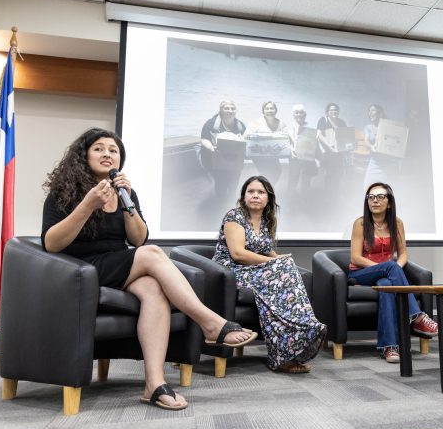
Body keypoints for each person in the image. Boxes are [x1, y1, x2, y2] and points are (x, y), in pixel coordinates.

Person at [41, 128, 257, 411]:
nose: (108, 153)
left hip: (117, 265)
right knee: (153, 254)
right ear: (83, 155)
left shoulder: (124, 192)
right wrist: (88, 204)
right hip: (81, 269)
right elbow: (52, 243)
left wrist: (127, 202)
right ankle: (210, 323)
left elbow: (138, 238)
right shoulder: (64, 192)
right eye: (99, 148)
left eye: (114, 150)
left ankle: (153, 385)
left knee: (155, 290)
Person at [213, 176, 327, 373]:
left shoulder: (266, 220)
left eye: (261, 192)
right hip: (230, 271)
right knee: (283, 269)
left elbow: (265, 250)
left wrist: (280, 258)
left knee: (284, 273)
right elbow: (238, 254)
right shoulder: (234, 216)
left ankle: (289, 347)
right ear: (243, 196)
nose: (255, 195)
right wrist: (276, 262)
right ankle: (304, 325)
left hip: (254, 271)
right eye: (251, 191)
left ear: (268, 198)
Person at [348, 182, 438, 363]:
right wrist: (383, 267)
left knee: (386, 285)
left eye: (380, 197)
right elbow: (356, 258)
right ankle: (417, 316)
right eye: (371, 197)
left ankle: (390, 347)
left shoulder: (397, 223)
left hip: (386, 276)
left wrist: (394, 268)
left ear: (389, 203)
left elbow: (403, 254)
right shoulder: (360, 223)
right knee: (390, 267)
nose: (375, 201)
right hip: (360, 273)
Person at [200, 100, 247, 205]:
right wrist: (211, 148)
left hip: (234, 160)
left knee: (234, 182)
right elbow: (204, 139)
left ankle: (231, 201)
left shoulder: (240, 125)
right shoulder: (211, 123)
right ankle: (221, 204)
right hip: (216, 159)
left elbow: (246, 140)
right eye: (227, 108)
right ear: (220, 110)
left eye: (233, 108)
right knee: (221, 182)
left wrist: (242, 138)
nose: (230, 111)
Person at [245, 101, 287, 184]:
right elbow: (246, 136)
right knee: (266, 173)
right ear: (263, 111)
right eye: (267, 109)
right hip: (259, 155)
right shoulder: (255, 123)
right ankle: (266, 191)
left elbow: (286, 138)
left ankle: (268, 189)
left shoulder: (281, 124)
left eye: (272, 108)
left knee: (277, 171)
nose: (269, 110)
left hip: (273, 154)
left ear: (276, 111)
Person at [286, 104, 317, 199]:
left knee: (306, 180)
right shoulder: (288, 126)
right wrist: (291, 150)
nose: (299, 114)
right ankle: (290, 202)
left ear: (305, 114)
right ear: (293, 114)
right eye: (296, 112)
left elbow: (313, 142)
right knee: (293, 180)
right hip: (294, 158)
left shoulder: (311, 127)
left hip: (307, 158)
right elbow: (285, 142)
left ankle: (305, 200)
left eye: (301, 112)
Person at [362, 104, 397, 187]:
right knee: (369, 185)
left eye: (373, 110)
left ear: (380, 113)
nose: (370, 113)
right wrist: (371, 146)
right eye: (369, 111)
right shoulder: (368, 127)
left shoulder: (387, 126)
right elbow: (366, 141)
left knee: (385, 187)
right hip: (375, 161)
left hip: (386, 161)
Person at [316, 102, 348, 192]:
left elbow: (346, 136)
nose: (334, 111)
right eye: (331, 110)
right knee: (330, 173)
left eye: (336, 110)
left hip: (339, 153)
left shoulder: (342, 122)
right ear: (327, 112)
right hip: (328, 153)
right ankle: (328, 193)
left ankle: (336, 192)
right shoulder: (323, 120)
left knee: (339, 173)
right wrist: (329, 146)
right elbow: (319, 135)